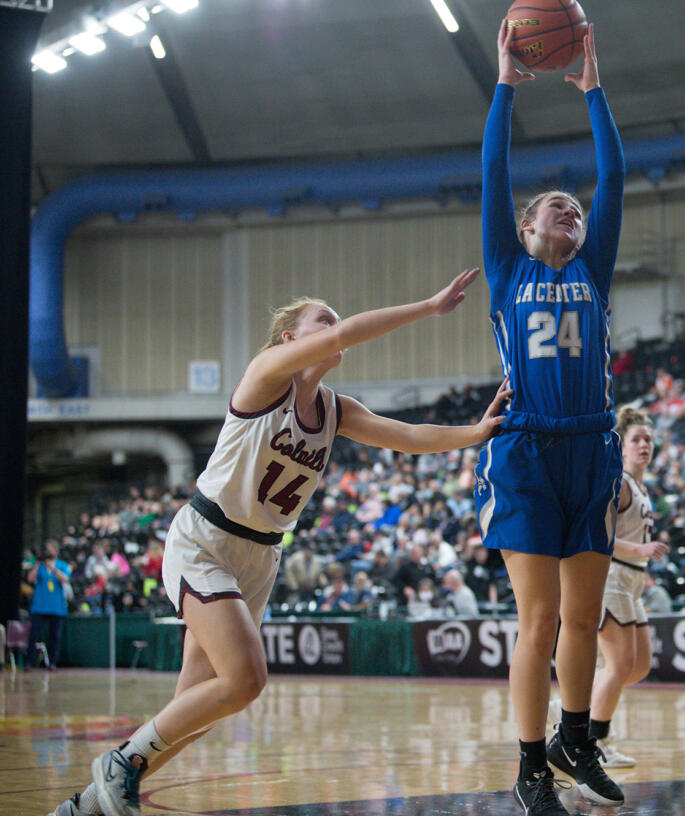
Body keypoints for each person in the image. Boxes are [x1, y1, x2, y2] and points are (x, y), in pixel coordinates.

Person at [49, 271, 510, 816]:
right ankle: (121, 764)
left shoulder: (336, 410)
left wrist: (473, 435)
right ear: (289, 339)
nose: (334, 329)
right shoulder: (267, 376)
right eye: (324, 319)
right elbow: (346, 337)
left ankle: (83, 808)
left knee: (193, 714)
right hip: (207, 540)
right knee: (244, 681)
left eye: (336, 321)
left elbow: (407, 436)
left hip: (261, 556)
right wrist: (429, 307)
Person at [478, 20, 627, 816]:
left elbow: (615, 172)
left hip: (593, 452)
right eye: (551, 206)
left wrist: (593, 84)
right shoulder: (507, 270)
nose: (568, 206)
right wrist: (505, 82)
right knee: (537, 619)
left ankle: (577, 738)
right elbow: (491, 170)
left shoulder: (595, 269)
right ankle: (531, 765)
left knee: (583, 615)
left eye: (574, 206)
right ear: (527, 228)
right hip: (528, 452)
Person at [588, 406, 669, 769]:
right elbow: (598, 533)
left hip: (632, 581)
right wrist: (639, 550)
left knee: (638, 667)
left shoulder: (640, 486)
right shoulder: (618, 482)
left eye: (649, 440)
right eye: (636, 439)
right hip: (611, 580)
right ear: (622, 447)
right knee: (620, 667)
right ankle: (595, 741)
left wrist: (641, 561)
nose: (644, 445)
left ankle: (578, 704)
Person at [26, 540, 71, 670]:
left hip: (56, 606)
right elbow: (30, 578)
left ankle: (52, 662)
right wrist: (39, 563)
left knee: (55, 636)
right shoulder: (39, 566)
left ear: (56, 551)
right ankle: (30, 662)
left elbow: (65, 579)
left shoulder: (61, 565)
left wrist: (51, 568)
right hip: (40, 605)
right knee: (34, 634)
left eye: (50, 549)